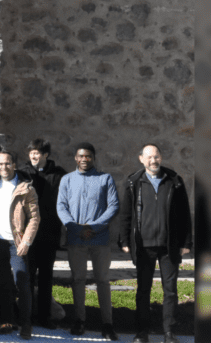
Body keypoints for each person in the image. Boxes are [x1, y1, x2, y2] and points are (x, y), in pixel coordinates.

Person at [119, 144, 192, 343]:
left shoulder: (174, 181)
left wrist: (186, 242)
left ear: (161, 158)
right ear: (141, 159)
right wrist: (124, 239)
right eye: (149, 157)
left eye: (157, 156)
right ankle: (142, 332)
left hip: (170, 245)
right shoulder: (134, 182)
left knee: (170, 290)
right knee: (143, 289)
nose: (154, 161)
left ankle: (169, 332)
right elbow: (126, 214)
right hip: (144, 246)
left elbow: (185, 214)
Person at [57, 143, 119, 340]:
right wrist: (76, 228)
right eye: (81, 156)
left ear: (93, 158)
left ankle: (107, 323)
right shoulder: (67, 179)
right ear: (76, 158)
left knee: (102, 280)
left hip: (100, 239)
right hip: (76, 238)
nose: (84, 159)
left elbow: (113, 206)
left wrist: (93, 227)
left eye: (88, 156)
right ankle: (79, 320)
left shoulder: (105, 179)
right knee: (78, 280)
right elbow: (61, 206)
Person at [0, 150, 39, 340]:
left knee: (22, 283)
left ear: (14, 165)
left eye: (7, 163)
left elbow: (35, 217)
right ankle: (6, 321)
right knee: (2, 282)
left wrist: (26, 241)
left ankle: (26, 324)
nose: (3, 167)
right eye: (0, 164)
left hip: (16, 242)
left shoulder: (25, 188)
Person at [20, 138, 65, 330]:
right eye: (31, 153)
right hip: (28, 235)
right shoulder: (23, 173)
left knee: (46, 277)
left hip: (49, 233)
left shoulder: (59, 175)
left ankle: (45, 317)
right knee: (28, 276)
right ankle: (26, 315)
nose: (33, 156)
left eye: (37, 153)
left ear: (46, 155)